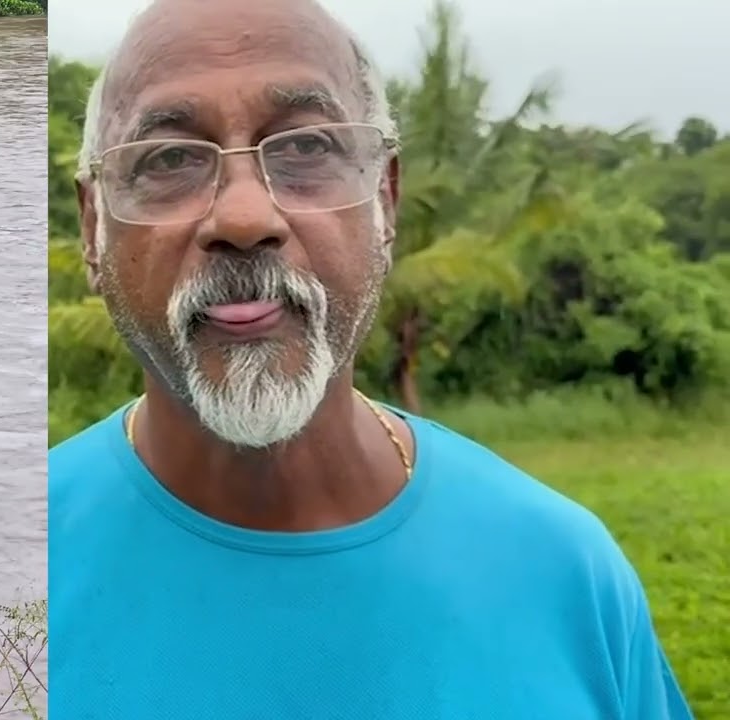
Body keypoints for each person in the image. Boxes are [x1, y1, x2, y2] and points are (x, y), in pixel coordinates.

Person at [47, 0, 694, 718]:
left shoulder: (566, 572)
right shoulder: (1, 585)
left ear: (385, 198)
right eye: (170, 158)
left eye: (305, 147)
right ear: (93, 227)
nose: (244, 219)